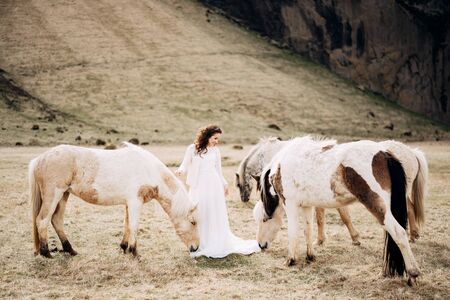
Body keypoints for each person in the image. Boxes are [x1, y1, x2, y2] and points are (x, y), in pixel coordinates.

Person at [175, 125, 260, 258]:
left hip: (213, 185)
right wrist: (181, 170)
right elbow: (184, 164)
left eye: (218, 138)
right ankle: (199, 240)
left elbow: (218, 171)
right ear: (207, 136)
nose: (217, 141)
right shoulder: (192, 149)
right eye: (215, 138)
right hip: (198, 186)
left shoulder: (216, 151)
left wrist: (224, 184)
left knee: (213, 211)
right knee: (199, 212)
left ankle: (214, 240)